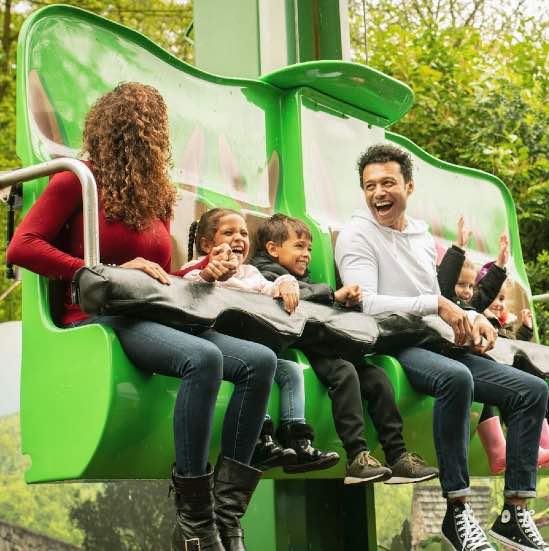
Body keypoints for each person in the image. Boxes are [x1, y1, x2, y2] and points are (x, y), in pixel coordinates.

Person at [6, 83, 275, 551]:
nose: (152, 138)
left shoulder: (157, 198)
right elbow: (23, 246)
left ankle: (226, 514)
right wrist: (101, 271)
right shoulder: (78, 180)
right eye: (148, 128)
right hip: (100, 316)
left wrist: (200, 273)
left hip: (150, 314)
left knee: (260, 362)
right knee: (202, 360)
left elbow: (163, 274)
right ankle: (193, 519)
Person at [335, 144, 549, 551]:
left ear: (409, 186)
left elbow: (434, 297)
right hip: (391, 343)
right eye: (369, 186)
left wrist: (475, 320)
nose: (378, 193)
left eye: (387, 183)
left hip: (432, 339)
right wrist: (437, 304)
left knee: (532, 391)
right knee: (455, 379)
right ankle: (457, 510)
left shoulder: (419, 236)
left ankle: (514, 513)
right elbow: (366, 302)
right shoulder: (356, 235)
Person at [249, 213, 439, 485]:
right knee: (345, 374)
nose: (306, 255)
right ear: (272, 248)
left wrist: (341, 303)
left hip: (327, 343)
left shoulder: (302, 278)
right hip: (307, 348)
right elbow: (294, 302)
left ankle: (396, 455)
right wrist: (332, 296)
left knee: (377, 379)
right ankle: (357, 456)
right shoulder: (266, 274)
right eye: (299, 247)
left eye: (310, 249)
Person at [183, 208, 341, 474]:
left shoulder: (249, 274)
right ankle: (259, 435)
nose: (238, 238)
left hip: (255, 345)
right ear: (206, 244)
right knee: (256, 363)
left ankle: (297, 438)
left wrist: (286, 282)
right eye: (229, 232)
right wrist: (209, 275)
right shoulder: (197, 269)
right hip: (223, 346)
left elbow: (271, 286)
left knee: (290, 370)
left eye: (244, 233)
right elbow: (188, 289)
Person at [438, 229, 549, 473]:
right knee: (502, 393)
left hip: (490, 365)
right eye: (461, 285)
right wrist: (457, 248)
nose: (467, 291)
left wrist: (501, 263)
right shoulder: (447, 304)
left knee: (542, 391)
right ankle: (505, 450)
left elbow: (485, 293)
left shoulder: (474, 309)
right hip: (467, 366)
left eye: (469, 286)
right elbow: (450, 286)